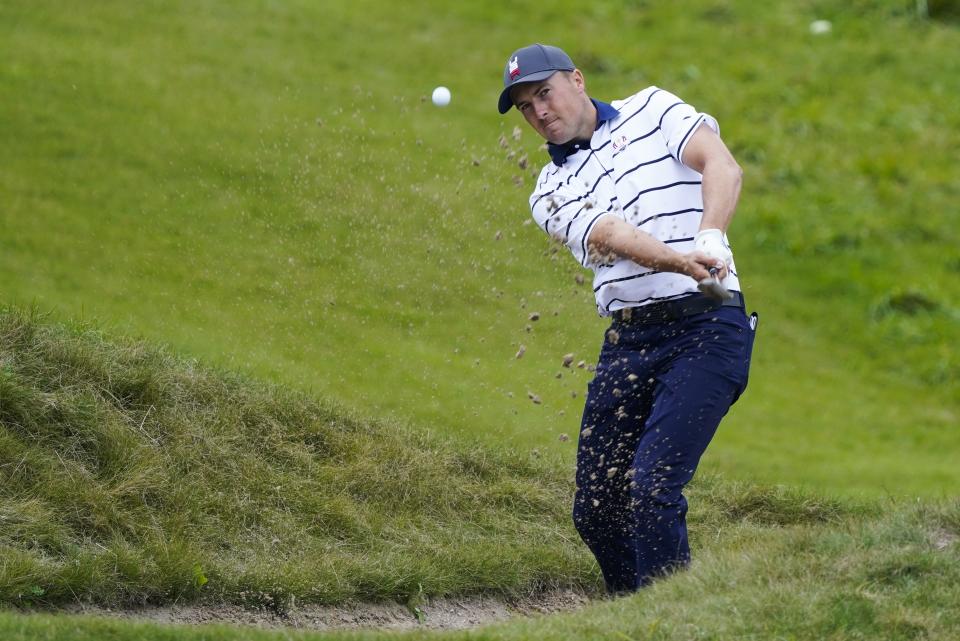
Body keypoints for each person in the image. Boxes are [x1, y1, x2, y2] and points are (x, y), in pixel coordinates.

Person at [498, 43, 757, 593]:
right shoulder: (549, 191)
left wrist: (709, 236)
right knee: (595, 507)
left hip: (707, 331)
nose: (539, 112)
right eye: (525, 107)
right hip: (631, 343)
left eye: (544, 93)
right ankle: (635, 611)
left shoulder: (653, 107)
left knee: (653, 484)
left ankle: (673, 620)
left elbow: (721, 163)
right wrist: (680, 260)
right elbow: (611, 236)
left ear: (577, 79)